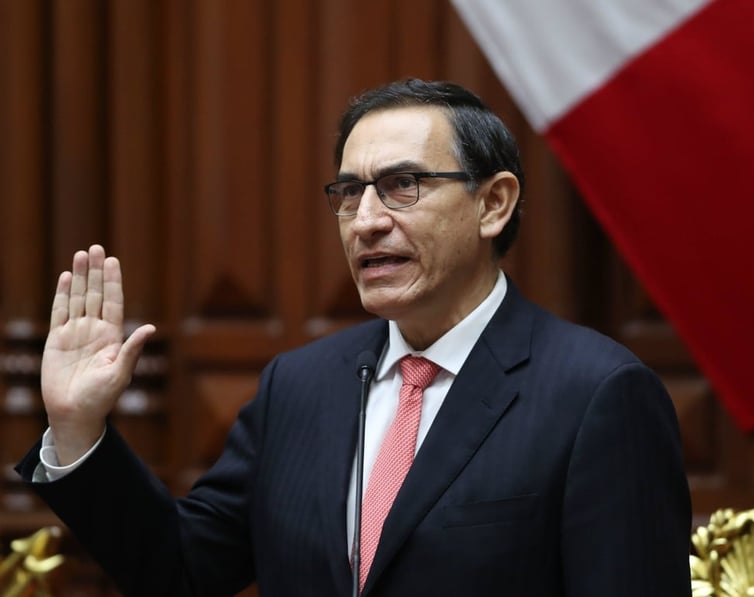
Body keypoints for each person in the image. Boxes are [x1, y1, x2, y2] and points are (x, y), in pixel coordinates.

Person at [17, 79, 692, 596]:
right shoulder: (299, 387)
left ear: (493, 204)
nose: (365, 220)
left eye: (402, 186)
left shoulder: (597, 394)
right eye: (349, 191)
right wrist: (78, 429)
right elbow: (181, 570)